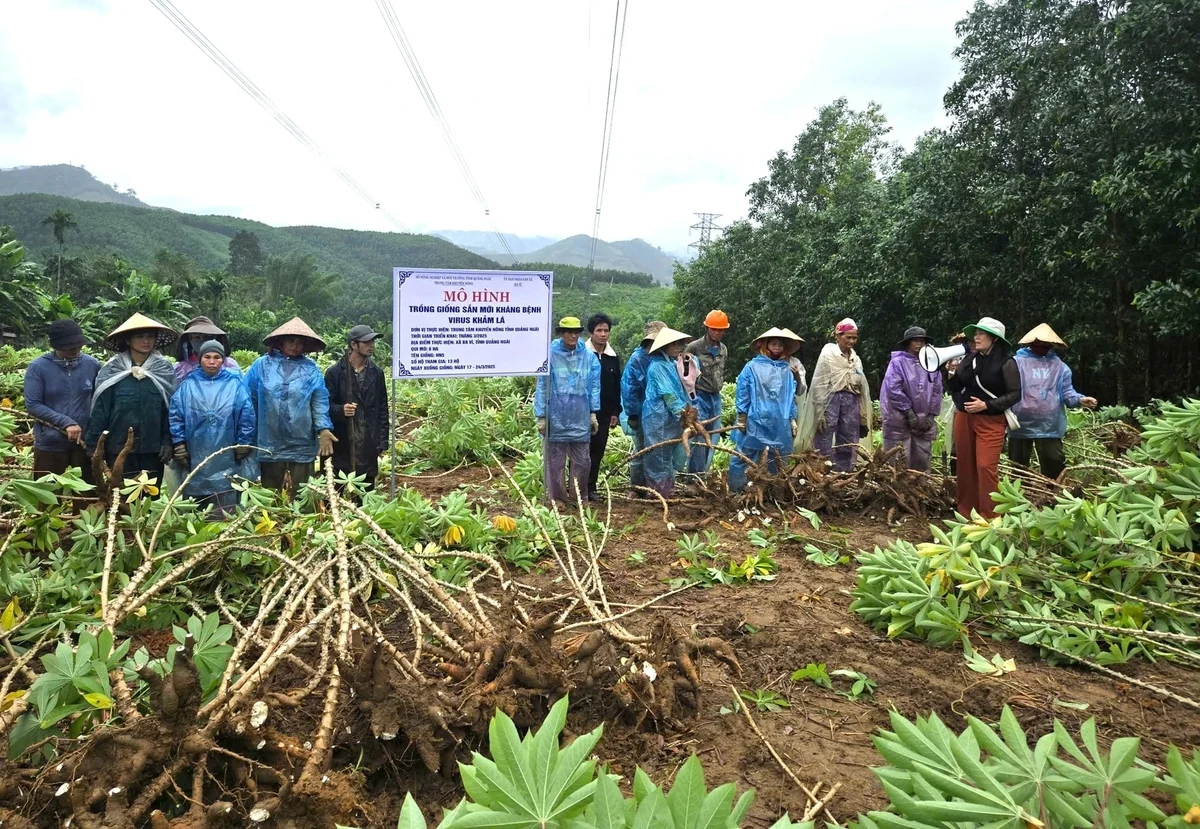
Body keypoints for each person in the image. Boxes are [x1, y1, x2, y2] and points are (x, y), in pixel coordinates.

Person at [246, 317, 336, 498]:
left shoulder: (310, 369)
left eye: (300, 342)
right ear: (280, 341)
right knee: (269, 493)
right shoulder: (261, 366)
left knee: (303, 493)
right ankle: (272, 523)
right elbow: (248, 399)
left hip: (301, 439)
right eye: (291, 340)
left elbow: (319, 400)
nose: (295, 345)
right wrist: (248, 433)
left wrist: (323, 428)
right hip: (269, 438)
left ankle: (302, 523)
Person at [85, 313, 178, 486]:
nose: (146, 341)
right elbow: (100, 410)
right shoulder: (112, 369)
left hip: (152, 448)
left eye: (150, 336)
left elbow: (170, 408)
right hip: (118, 448)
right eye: (140, 336)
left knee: (149, 497)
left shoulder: (163, 369)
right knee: (120, 499)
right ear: (128, 340)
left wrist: (167, 440)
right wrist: (95, 445)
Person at [169, 340, 256, 516]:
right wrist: (179, 444)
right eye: (207, 357)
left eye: (217, 357)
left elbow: (246, 415)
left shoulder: (235, 384)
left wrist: (243, 443)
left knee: (226, 490)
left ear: (223, 360)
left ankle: (224, 529)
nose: (212, 361)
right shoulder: (188, 385)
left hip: (227, 448)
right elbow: (176, 415)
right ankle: (196, 530)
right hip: (195, 449)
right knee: (195, 491)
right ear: (200, 359)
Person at [948, 316, 1021, 519]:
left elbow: (1015, 394)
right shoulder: (970, 359)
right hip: (964, 417)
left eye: (981, 334)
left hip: (991, 420)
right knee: (965, 465)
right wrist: (951, 373)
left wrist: (986, 405)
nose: (976, 338)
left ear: (994, 338)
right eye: (976, 334)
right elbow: (955, 388)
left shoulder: (1007, 363)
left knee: (985, 466)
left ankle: (990, 516)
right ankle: (967, 512)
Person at [1008, 323, 1097, 480]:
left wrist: (1081, 400)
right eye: (1037, 344)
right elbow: (1007, 390)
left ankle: (1052, 496)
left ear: (1051, 346)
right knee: (1019, 468)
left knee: (1054, 463)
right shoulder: (1016, 363)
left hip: (1049, 424)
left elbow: (1067, 393)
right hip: (1019, 422)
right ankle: (1020, 498)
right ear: (1030, 344)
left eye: (1044, 345)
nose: (1040, 347)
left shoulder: (1060, 367)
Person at [23, 319, 101, 490]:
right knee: (48, 495)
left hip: (84, 443)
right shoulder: (38, 367)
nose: (75, 349)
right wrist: (66, 422)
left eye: (78, 345)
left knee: (86, 495)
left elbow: (99, 400)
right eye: (68, 346)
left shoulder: (92, 365)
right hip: (50, 443)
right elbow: (33, 404)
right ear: (55, 345)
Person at [534, 316, 601, 505]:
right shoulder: (550, 355)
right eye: (569, 332)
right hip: (556, 415)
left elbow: (594, 386)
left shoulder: (589, 357)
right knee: (555, 461)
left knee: (582, 460)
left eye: (576, 332)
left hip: (579, 415)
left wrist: (593, 413)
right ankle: (557, 499)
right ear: (561, 333)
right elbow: (542, 386)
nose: (573, 335)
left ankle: (578, 497)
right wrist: (541, 416)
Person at [729, 328, 802, 492]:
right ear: (765, 345)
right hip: (754, 419)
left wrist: (791, 418)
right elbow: (743, 391)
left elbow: (790, 397)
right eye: (774, 343)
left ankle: (771, 492)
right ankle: (736, 492)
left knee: (776, 457)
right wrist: (742, 416)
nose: (777, 347)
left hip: (779, 422)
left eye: (781, 345)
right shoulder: (752, 367)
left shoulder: (787, 370)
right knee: (744, 455)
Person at [324, 324, 389, 492]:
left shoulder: (377, 373)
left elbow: (382, 408)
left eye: (373, 341)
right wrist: (341, 410)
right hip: (342, 442)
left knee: (365, 490)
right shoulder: (334, 373)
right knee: (336, 490)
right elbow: (324, 407)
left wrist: (382, 441)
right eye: (367, 342)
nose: (372, 345)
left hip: (368, 441)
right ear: (354, 345)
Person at [810, 318, 872, 472]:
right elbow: (820, 383)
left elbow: (862, 389)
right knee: (824, 435)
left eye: (854, 337)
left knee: (848, 439)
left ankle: (844, 473)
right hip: (830, 400)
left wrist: (863, 415)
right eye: (848, 337)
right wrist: (819, 411)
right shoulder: (828, 355)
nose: (851, 341)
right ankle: (822, 472)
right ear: (837, 336)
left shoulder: (855, 359)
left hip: (851, 401)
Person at [880, 326, 943, 471]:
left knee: (922, 457)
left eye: (922, 341)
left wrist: (931, 416)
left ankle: (922, 489)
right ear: (908, 343)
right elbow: (893, 389)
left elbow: (937, 390)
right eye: (915, 341)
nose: (919, 344)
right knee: (899, 457)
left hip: (923, 420)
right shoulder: (898, 363)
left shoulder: (932, 363)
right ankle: (897, 491)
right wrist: (908, 412)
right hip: (899, 418)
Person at [642, 327, 693, 497]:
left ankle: (666, 490)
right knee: (659, 455)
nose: (679, 347)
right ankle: (659, 493)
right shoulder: (658, 366)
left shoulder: (672, 364)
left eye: (680, 344)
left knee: (667, 455)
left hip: (668, 417)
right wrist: (683, 415)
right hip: (658, 417)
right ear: (665, 346)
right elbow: (670, 395)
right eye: (675, 344)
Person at [620, 321, 665, 496]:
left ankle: (656, 487)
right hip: (641, 412)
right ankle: (638, 487)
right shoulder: (638, 359)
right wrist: (632, 413)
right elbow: (629, 388)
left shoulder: (664, 356)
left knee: (660, 450)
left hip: (661, 413)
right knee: (641, 450)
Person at [684, 310, 730, 473]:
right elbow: (684, 374)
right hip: (698, 396)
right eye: (713, 329)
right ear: (707, 328)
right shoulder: (694, 347)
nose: (717, 333)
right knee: (699, 435)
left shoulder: (723, 349)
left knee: (713, 436)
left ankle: (705, 472)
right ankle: (694, 476)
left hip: (715, 397)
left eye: (720, 330)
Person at [584, 314, 622, 501]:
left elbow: (617, 385)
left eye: (606, 330)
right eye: (599, 330)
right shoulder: (582, 354)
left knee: (597, 452)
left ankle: (590, 489)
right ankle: (576, 488)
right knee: (581, 452)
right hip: (582, 412)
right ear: (591, 333)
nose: (603, 334)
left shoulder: (612, 357)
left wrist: (616, 411)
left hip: (605, 413)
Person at [174, 316, 241, 382]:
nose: (202, 341)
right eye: (197, 337)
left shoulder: (229, 364)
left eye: (208, 337)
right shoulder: (180, 368)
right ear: (189, 339)